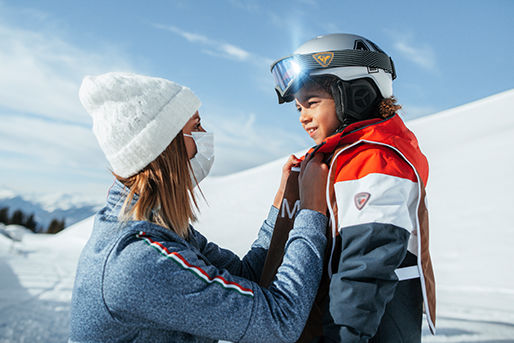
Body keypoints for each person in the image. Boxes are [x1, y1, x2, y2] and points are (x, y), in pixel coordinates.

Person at [69, 72, 330, 343]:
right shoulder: (138, 260)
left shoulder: (161, 229)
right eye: (196, 126)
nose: (205, 136)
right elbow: (279, 322)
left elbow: (247, 277)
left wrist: (281, 201)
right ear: (163, 145)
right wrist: (312, 212)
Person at [261, 33, 436, 342]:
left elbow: (365, 269)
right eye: (298, 108)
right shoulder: (337, 160)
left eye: (311, 103)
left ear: (355, 95)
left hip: (362, 332)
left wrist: (343, 337)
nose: (303, 117)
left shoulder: (376, 162)